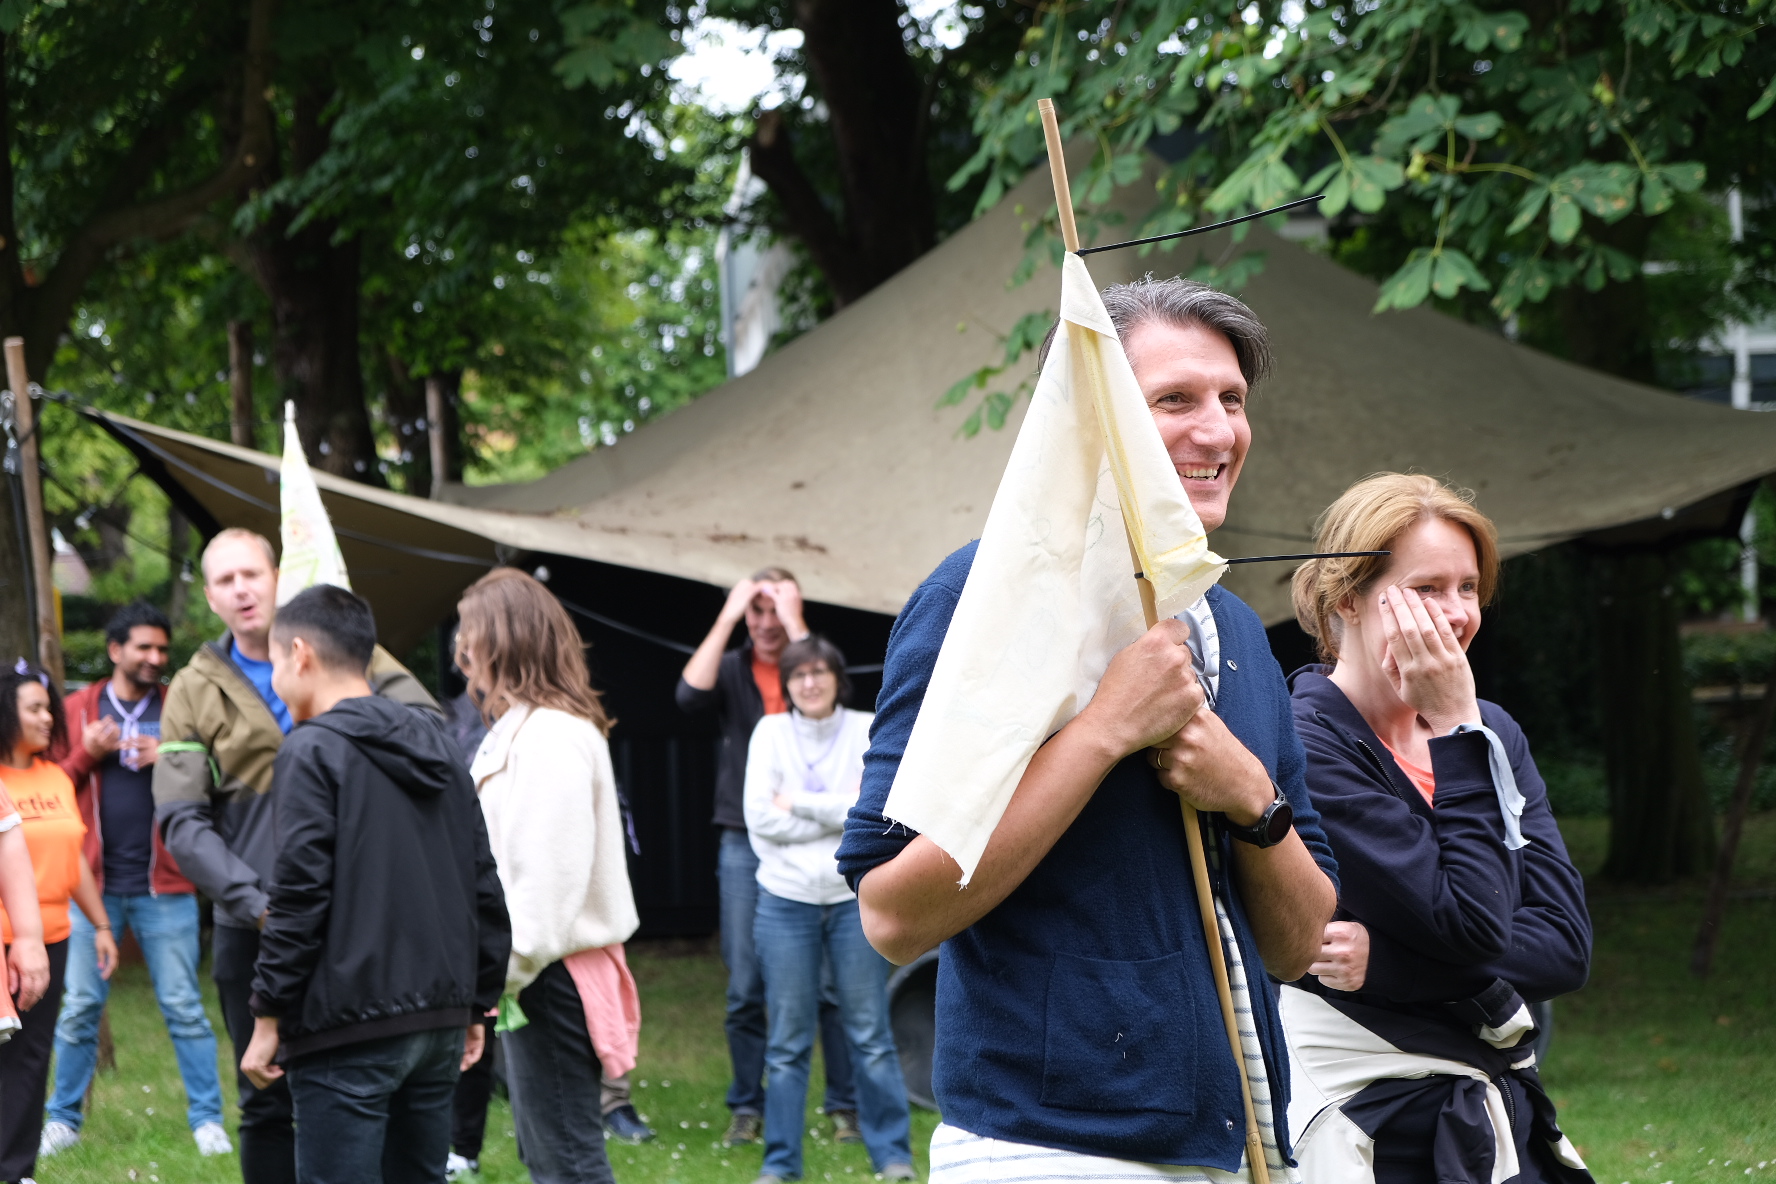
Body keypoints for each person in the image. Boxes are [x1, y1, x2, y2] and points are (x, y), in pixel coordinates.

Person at [836, 277, 1342, 1181]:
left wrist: (1252, 800)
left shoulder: (1242, 641)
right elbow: (891, 912)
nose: (1219, 431)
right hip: (1047, 1150)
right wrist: (1104, 730)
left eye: (1231, 400)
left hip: (1246, 1143)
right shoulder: (981, 599)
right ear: (1088, 418)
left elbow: (1301, 945)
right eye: (1175, 400)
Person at [1284, 474, 1593, 1183]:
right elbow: (1478, 925)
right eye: (1426, 589)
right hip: (1377, 1117)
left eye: (1467, 588)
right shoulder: (1307, 743)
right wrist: (1458, 730)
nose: (1455, 614)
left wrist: (1387, 964)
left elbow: (1564, 948)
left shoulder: (1495, 731)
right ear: (1347, 601)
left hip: (1495, 1098)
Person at [154, 528, 441, 1184]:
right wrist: (259, 905)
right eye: (225, 581)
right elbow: (181, 819)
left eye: (251, 573)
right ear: (209, 596)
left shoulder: (347, 656)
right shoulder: (192, 689)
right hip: (251, 926)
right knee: (266, 1097)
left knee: (374, 1083)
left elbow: (429, 734)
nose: (242, 589)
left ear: (277, 577)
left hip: (366, 916)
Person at [234, 585, 510, 1184]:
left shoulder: (309, 749)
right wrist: (475, 1002)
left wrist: (267, 1014)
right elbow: (482, 880)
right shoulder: (440, 741)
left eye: (276, 663)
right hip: (438, 1018)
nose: (277, 679)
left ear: (300, 654)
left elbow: (300, 895)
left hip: (347, 1027)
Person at [457, 567, 642, 1184]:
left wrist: (491, 982)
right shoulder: (523, 727)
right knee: (546, 1156)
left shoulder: (554, 736)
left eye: (470, 633)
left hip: (549, 973)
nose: (461, 650)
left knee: (567, 1159)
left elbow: (543, 891)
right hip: (530, 974)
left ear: (505, 639)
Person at [679, 567, 860, 1148]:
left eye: (772, 610)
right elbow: (688, 695)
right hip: (745, 838)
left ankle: (845, 1108)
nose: (765, 622)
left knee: (835, 986)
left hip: (824, 842)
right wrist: (728, 615)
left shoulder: (811, 666)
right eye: (754, 611)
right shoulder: (732, 667)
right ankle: (746, 1108)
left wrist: (792, 617)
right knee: (744, 985)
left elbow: (819, 666)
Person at [42, 602, 230, 1159]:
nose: (155, 658)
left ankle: (208, 1122)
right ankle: (63, 1120)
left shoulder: (180, 708)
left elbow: (220, 778)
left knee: (184, 1006)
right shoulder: (76, 710)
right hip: (87, 886)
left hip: (164, 885)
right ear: (115, 650)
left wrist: (169, 759)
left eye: (161, 649)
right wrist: (86, 754)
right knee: (78, 1007)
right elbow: (47, 787)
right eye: (143, 648)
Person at [745, 636, 914, 1184]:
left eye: (819, 673)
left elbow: (876, 809)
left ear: (837, 678)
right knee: (787, 1042)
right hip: (785, 901)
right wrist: (837, 809)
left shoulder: (868, 725)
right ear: (787, 684)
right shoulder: (769, 732)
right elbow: (759, 820)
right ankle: (780, 1165)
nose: (809, 683)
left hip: (852, 899)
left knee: (869, 1034)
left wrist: (795, 802)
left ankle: (893, 1158)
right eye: (798, 676)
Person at [0, 660, 118, 1184]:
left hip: (54, 940)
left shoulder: (57, 778)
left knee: (31, 1058)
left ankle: (17, 1169)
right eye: (35, 708)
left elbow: (74, 863)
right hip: (5, 942)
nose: (49, 717)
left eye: (50, 707)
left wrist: (102, 925)